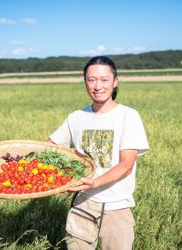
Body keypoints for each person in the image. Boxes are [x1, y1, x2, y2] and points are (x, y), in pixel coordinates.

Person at [49, 56, 149, 250]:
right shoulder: (76, 117)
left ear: (115, 81)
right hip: (82, 204)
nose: (97, 86)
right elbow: (50, 148)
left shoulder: (128, 116)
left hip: (116, 207)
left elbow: (126, 164)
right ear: (85, 82)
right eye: (91, 79)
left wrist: (94, 182)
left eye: (104, 79)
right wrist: (17, 157)